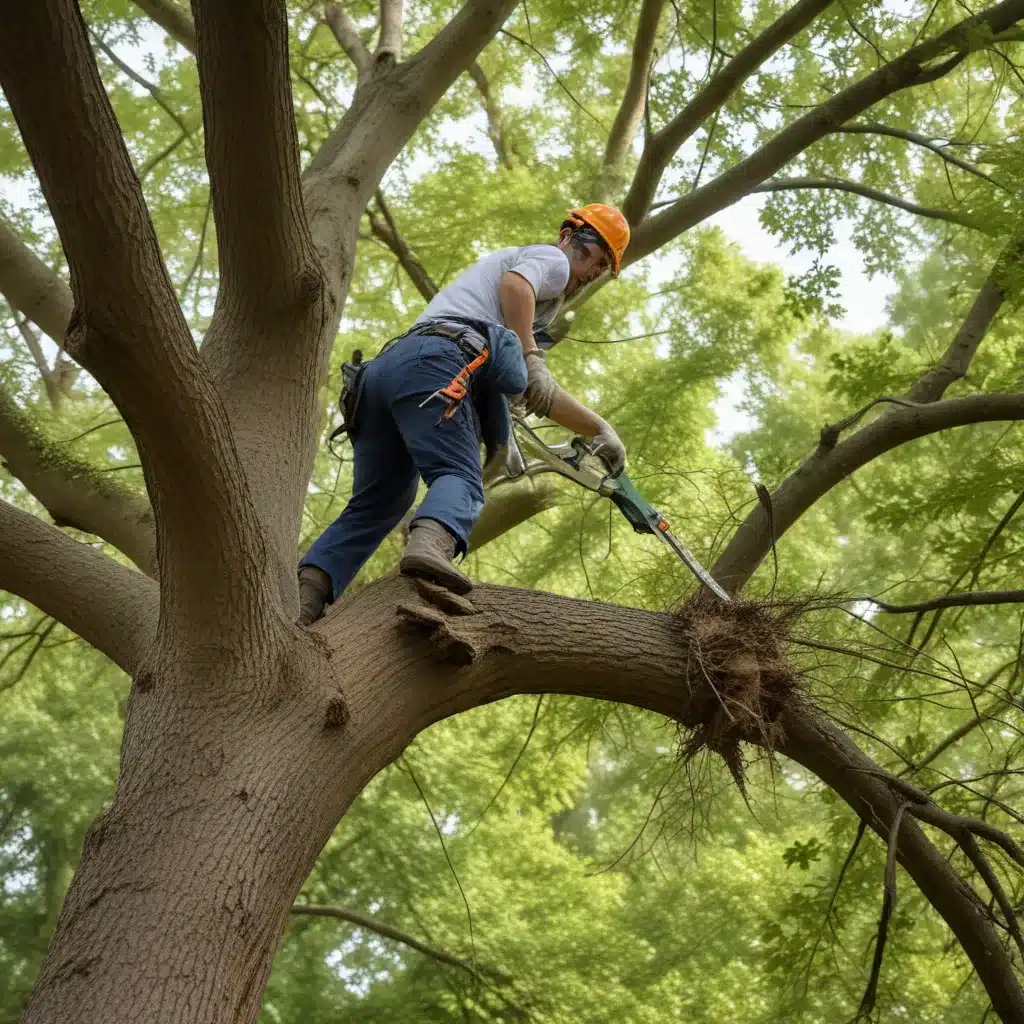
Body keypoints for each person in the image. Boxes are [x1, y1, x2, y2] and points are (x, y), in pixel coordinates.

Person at [297, 203, 630, 625]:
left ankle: (307, 596)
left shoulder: (502, 309)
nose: (587, 272)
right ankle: (430, 546)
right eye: (590, 257)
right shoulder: (550, 261)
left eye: (600, 268)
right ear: (567, 238)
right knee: (460, 479)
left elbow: (539, 392)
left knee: (379, 505)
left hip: (384, 376)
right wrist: (530, 354)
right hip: (439, 361)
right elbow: (516, 286)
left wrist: (598, 427)